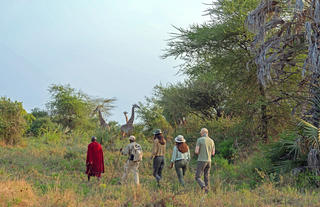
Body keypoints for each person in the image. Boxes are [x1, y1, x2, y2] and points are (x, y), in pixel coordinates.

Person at [195, 128, 215, 193]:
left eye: (200, 133)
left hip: (201, 160)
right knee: (206, 177)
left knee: (197, 177)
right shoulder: (212, 141)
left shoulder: (199, 140)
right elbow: (213, 153)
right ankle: (207, 192)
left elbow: (196, 151)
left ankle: (203, 186)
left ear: (203, 133)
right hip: (209, 161)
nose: (200, 134)